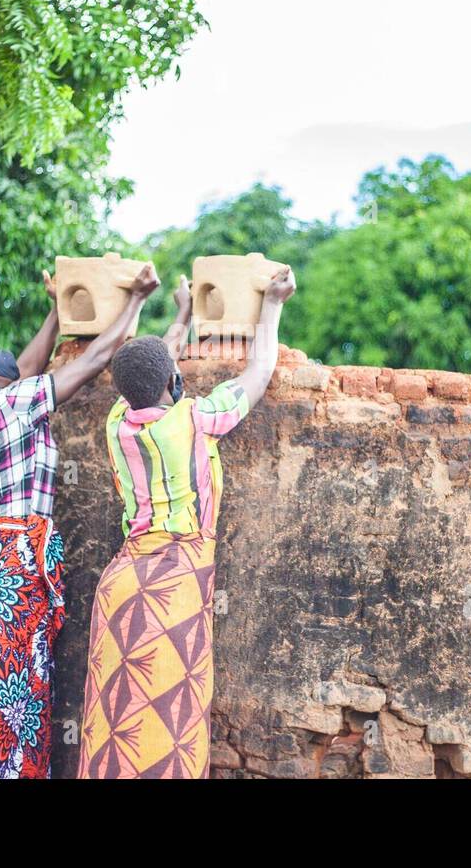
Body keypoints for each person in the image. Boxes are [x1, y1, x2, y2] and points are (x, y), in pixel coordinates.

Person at [0, 261, 161, 779]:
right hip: (11, 566)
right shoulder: (13, 403)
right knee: (7, 685)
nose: (1, 354)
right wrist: (137, 299)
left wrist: (56, 310)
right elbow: (94, 357)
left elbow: (24, 366)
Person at [78, 267, 296, 779]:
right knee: (168, 730)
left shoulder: (117, 423)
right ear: (175, 382)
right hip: (173, 590)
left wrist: (180, 313)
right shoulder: (195, 419)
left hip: (121, 586)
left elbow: (150, 371)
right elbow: (259, 373)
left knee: (113, 727)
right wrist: (273, 304)